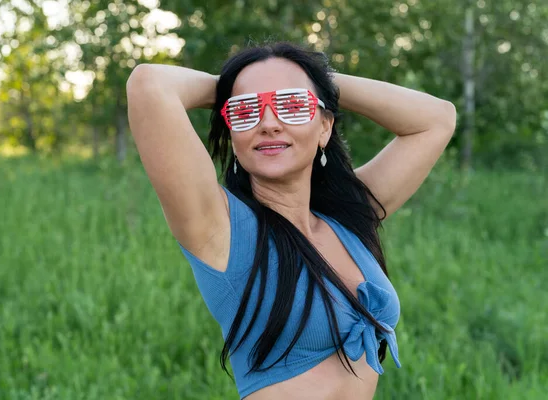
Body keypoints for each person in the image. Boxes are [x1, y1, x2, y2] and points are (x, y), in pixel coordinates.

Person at [126, 41, 457, 400]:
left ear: (325, 127)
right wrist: (233, 87)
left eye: (292, 106)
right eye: (245, 111)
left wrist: (315, 81)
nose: (268, 123)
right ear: (232, 131)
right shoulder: (222, 231)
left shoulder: (347, 219)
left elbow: (436, 119)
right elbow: (149, 84)